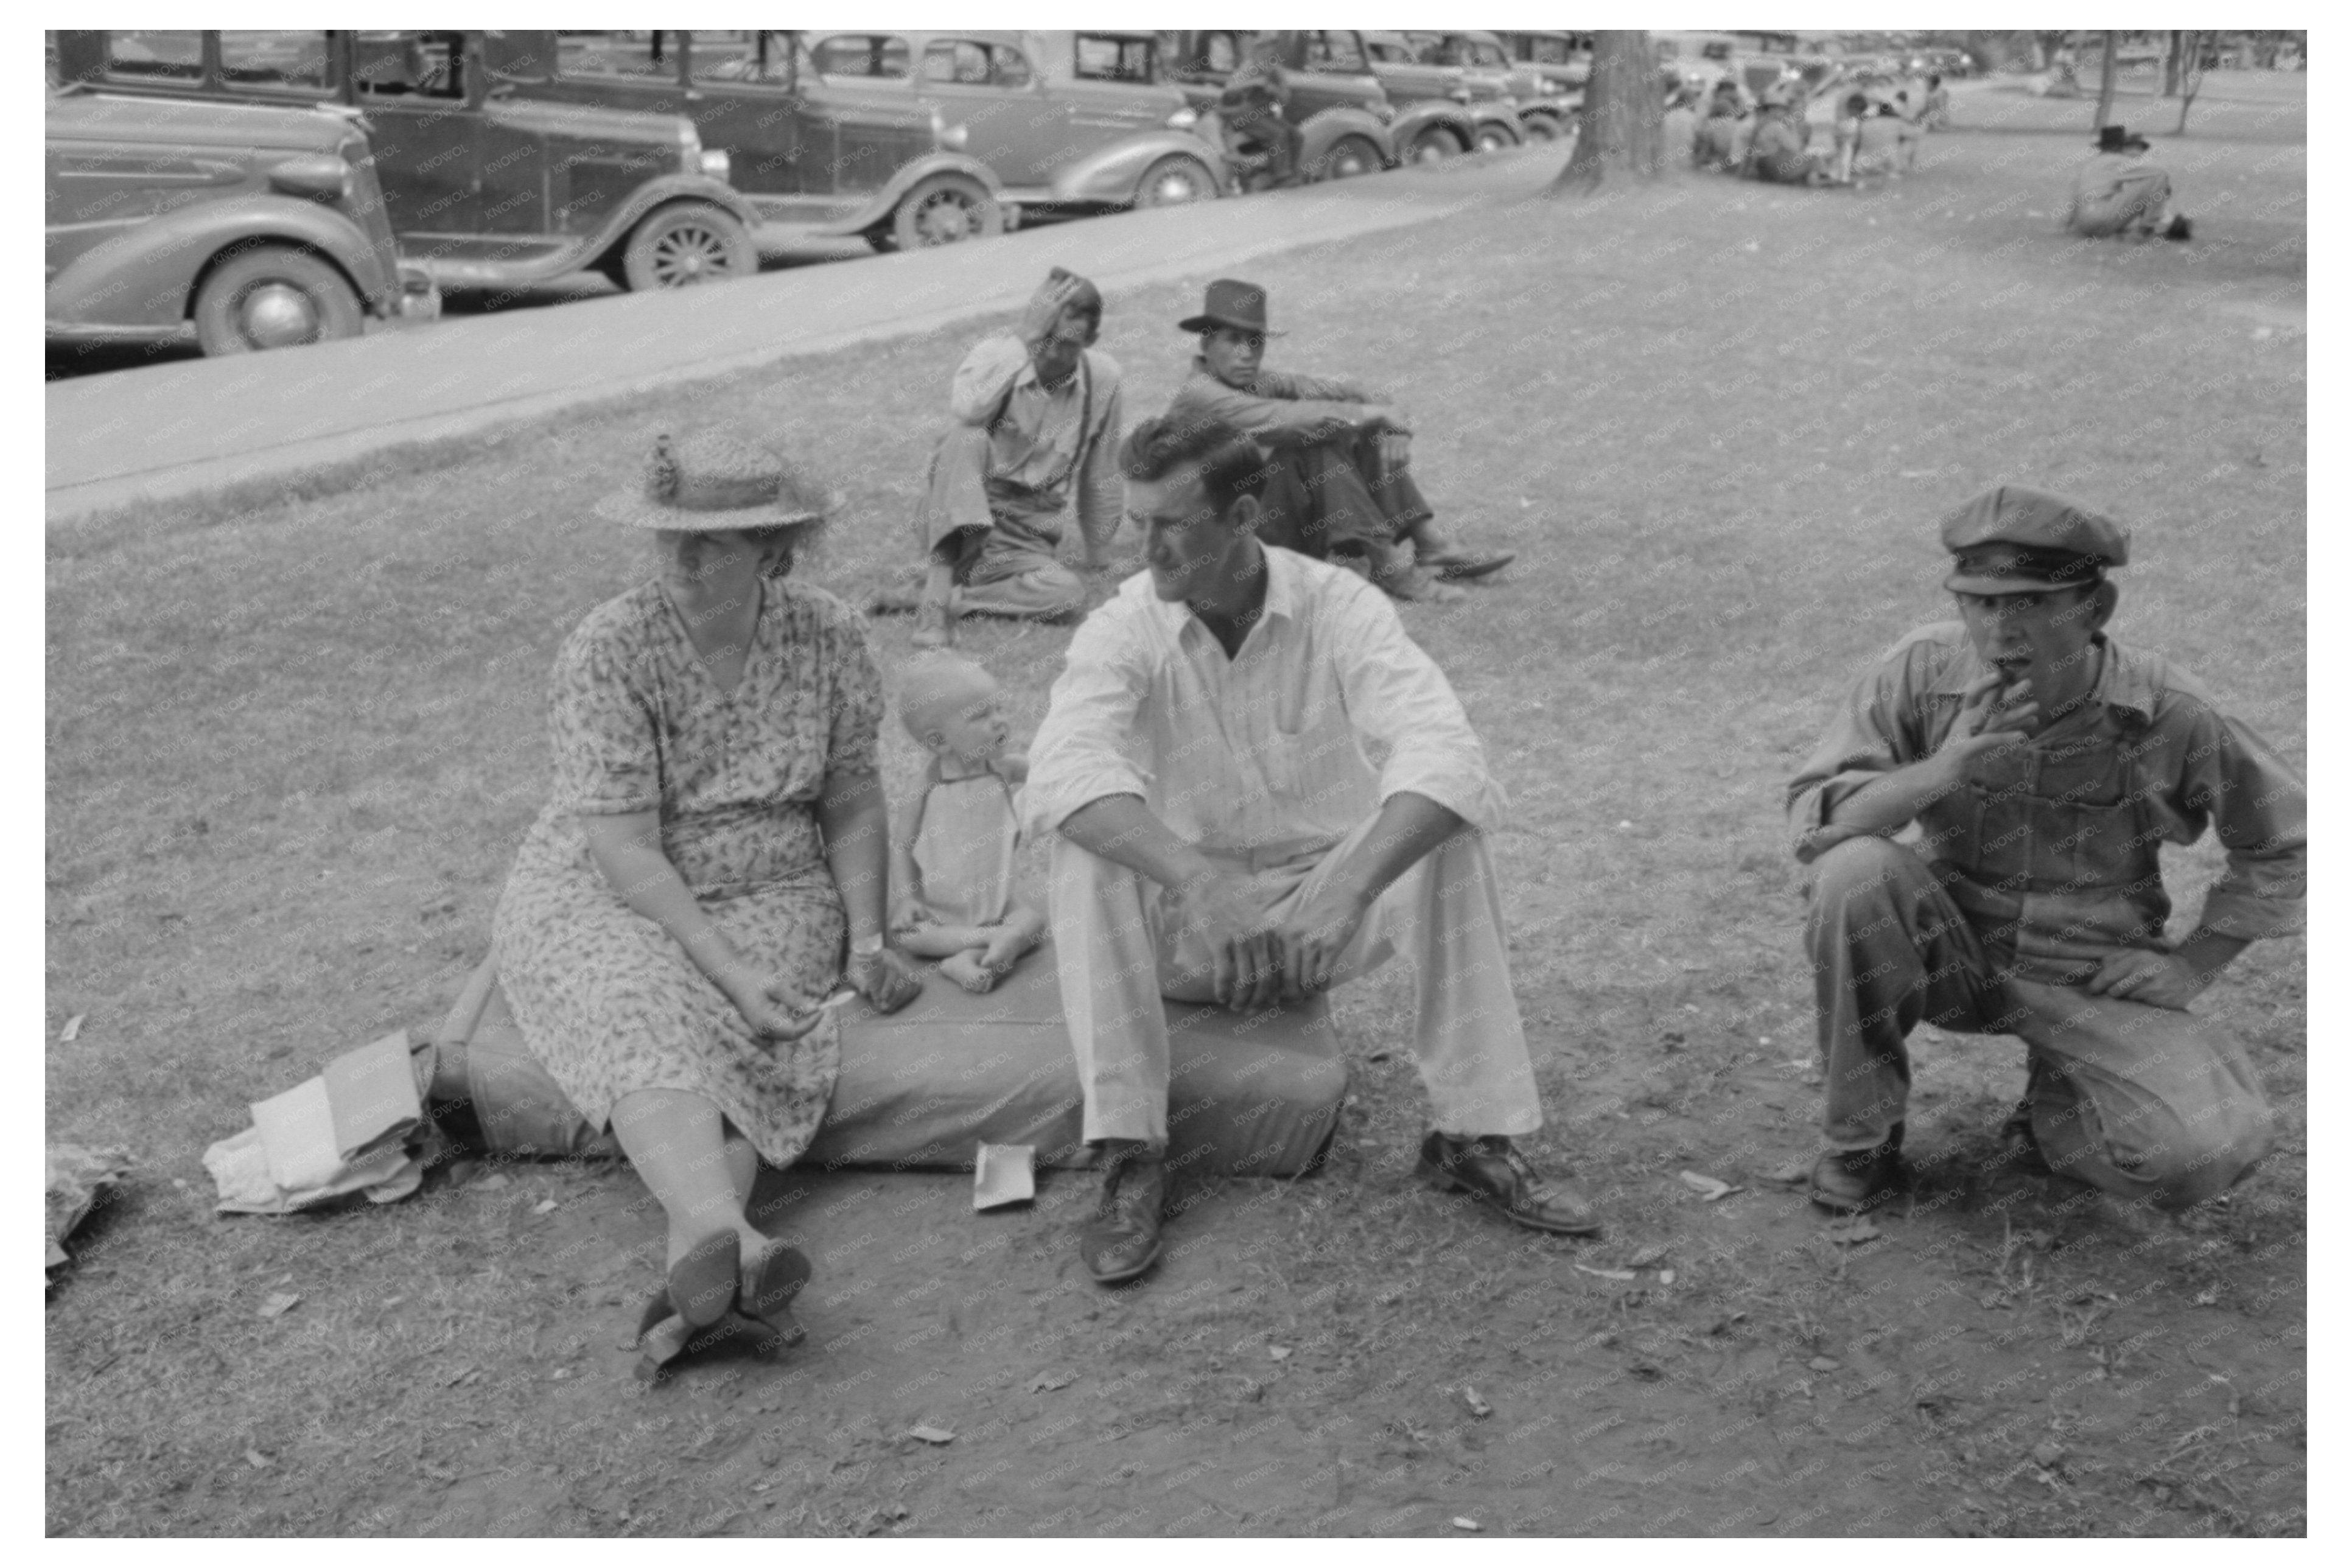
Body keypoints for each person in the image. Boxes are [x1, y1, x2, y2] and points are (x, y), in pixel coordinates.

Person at [1024, 412, 1601, 1287]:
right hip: (1194, 926)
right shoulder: (1124, 624)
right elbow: (1062, 769)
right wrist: (1198, 881)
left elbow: (1447, 754)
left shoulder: (1340, 605)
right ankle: (1130, 1149)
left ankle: (1472, 1134)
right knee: (1087, 847)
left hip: (1315, 920)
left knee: (1446, 833)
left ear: (1246, 517)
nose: (1149, 549)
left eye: (1172, 523)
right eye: (1138, 523)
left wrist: (1342, 897)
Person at [492, 429, 925, 1381]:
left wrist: (870, 936)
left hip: (773, 886)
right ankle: (729, 1234)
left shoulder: (831, 632)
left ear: (775, 550)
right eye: (668, 538)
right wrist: (724, 969)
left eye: (711, 544)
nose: (681, 560)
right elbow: (624, 850)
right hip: (611, 888)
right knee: (640, 999)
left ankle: (711, 1254)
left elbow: (852, 797)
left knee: (750, 1027)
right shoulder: (608, 647)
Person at [1788, 486, 2303, 1217]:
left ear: (2096, 609)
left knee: (2202, 1154)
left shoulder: (2171, 709)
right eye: (1982, 603)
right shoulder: (1921, 669)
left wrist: (2194, 963)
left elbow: (2289, 840)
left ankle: (2056, 1120)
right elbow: (1821, 822)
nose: (2004, 630)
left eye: (2033, 604)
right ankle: (1863, 1140)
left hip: (2089, 966)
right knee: (1854, 872)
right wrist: (1946, 768)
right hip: (1952, 945)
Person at [1163, 278, 1514, 606]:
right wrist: (1372, 414)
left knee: (1353, 424)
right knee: (1311, 437)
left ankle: (1430, 542)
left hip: (1260, 521)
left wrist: (1388, 417)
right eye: (1233, 340)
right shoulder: (1201, 396)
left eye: (1255, 341)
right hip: (1221, 542)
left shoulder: (1257, 381)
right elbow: (1286, 420)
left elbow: (1340, 391)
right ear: (1206, 344)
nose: (1247, 353)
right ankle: (1390, 565)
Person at [871, 268, 1126, 648]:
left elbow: (1101, 471)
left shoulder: (1104, 378)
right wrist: (1027, 339)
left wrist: (1100, 558)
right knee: (965, 437)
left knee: (1066, 594)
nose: (1053, 355)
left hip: (1026, 541)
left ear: (1091, 339)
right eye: (1047, 340)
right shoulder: (997, 355)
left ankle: (935, 596)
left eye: (1069, 345)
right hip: (962, 520)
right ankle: (934, 609)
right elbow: (968, 410)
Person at [888, 653, 1048, 994]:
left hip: (997, 900)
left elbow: (1053, 773)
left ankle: (968, 956)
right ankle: (995, 940)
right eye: (981, 716)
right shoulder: (924, 789)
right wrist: (906, 899)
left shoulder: (1005, 769)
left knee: (1033, 922)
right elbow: (901, 846)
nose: (999, 722)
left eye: (999, 710)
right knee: (913, 938)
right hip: (939, 905)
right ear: (938, 741)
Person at [2068, 125, 2192, 240]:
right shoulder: (2117, 160)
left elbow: (2077, 197)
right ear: (2121, 146)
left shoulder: (2091, 165)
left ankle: (2156, 225)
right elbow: (2161, 174)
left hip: (2083, 224)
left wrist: (2070, 224)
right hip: (2100, 219)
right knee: (2157, 178)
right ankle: (2148, 229)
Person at [1217, 37, 1301, 191]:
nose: (1268, 51)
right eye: (1265, 47)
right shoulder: (1248, 67)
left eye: (1271, 47)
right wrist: (1256, 83)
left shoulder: (1275, 70)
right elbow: (1230, 88)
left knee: (1295, 134)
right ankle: (1280, 176)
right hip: (1244, 116)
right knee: (1278, 134)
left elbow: (1285, 98)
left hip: (1265, 115)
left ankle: (1292, 171)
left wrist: (1275, 91)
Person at [1744, 91, 1833, 185]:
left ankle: (1815, 180)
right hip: (1773, 167)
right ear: (1773, 110)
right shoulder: (1775, 126)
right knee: (1813, 158)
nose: (1785, 113)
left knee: (1805, 162)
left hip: (1763, 167)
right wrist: (1793, 126)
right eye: (1783, 110)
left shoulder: (1761, 124)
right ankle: (1824, 178)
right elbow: (1796, 147)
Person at [1693, 80, 1750, 170]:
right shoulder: (1708, 101)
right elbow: (1700, 124)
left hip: (1730, 130)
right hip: (1713, 130)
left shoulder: (1740, 99)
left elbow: (1745, 116)